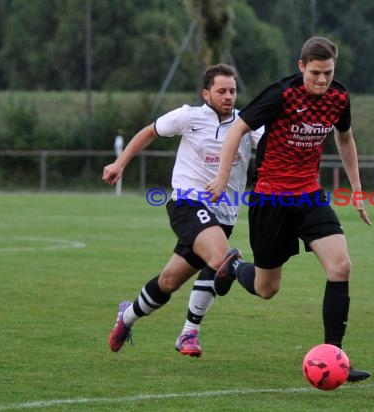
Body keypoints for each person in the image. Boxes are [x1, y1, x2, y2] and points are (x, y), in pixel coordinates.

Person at [207, 36, 372, 383]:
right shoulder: (282, 94)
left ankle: (335, 356)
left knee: (341, 266)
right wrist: (222, 177)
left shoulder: (339, 97)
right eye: (315, 73)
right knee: (267, 288)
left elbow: (345, 138)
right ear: (301, 67)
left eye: (328, 72)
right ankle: (233, 266)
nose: (322, 80)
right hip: (270, 199)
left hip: (309, 195)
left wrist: (357, 189)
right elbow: (238, 127)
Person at [102, 63, 261, 356]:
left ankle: (126, 317)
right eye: (221, 91)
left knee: (168, 282)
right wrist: (120, 163)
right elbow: (148, 132)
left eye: (233, 91)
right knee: (220, 258)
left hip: (224, 214)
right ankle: (190, 332)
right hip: (187, 202)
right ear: (206, 93)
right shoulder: (189, 116)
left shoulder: (247, 124)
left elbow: (274, 149)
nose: (228, 96)